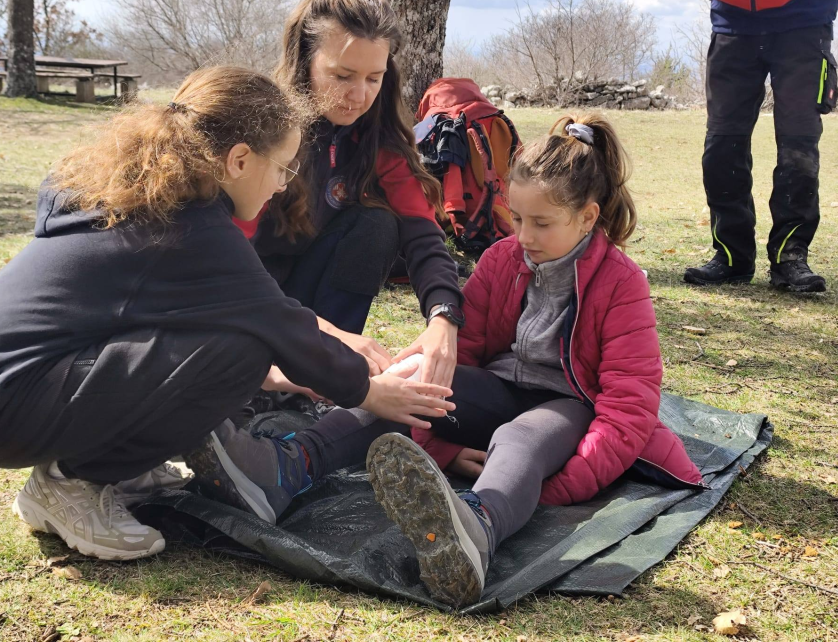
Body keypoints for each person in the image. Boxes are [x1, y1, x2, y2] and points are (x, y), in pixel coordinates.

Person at [0, 66, 453, 561]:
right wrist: (369, 392)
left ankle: (116, 465)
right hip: (6, 408)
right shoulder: (194, 231)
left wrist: (293, 380)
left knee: (234, 342)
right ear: (239, 161)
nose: (282, 186)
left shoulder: (146, 196)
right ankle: (73, 482)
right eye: (282, 168)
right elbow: (277, 323)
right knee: (245, 351)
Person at [202, 113, 704, 608]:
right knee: (410, 384)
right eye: (518, 217)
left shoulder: (622, 283)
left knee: (520, 438)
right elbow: (464, 354)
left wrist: (557, 484)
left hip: (567, 406)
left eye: (542, 223)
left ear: (588, 218)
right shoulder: (502, 259)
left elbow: (629, 405)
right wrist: (440, 447)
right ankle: (287, 469)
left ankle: (476, 530)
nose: (523, 235)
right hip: (498, 390)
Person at [236, 0, 464, 389]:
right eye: (342, 76)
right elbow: (229, 266)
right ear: (304, 61)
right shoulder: (264, 134)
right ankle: (292, 378)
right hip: (246, 304)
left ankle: (317, 384)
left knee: (377, 225)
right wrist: (331, 336)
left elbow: (423, 238)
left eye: (374, 78)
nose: (358, 96)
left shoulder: (378, 138)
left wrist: (444, 317)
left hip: (311, 310)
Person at [685, 0, 838, 293]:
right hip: (732, 20)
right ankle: (731, 257)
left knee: (799, 145)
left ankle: (790, 257)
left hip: (804, 20)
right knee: (721, 144)